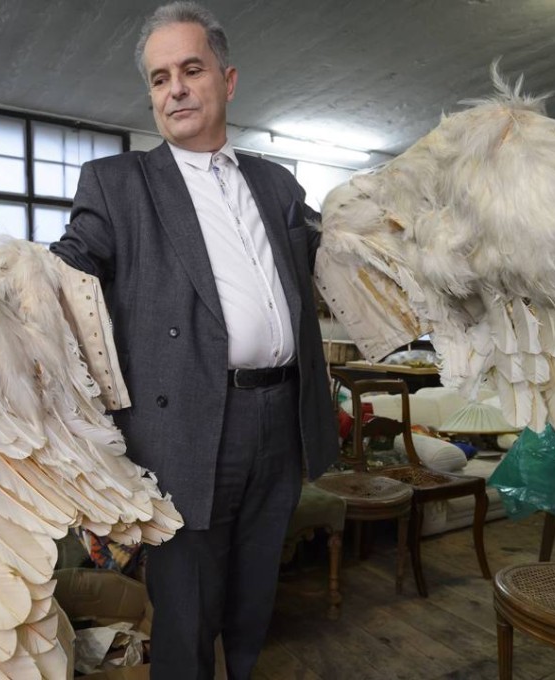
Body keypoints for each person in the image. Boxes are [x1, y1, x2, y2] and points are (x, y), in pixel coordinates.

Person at [49, 3, 339, 678]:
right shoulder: (118, 184)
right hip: (184, 428)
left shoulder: (276, 183)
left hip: (284, 418)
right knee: (185, 614)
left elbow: (335, 268)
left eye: (189, 69)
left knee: (252, 601)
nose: (174, 88)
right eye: (158, 79)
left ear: (227, 80)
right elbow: (66, 269)